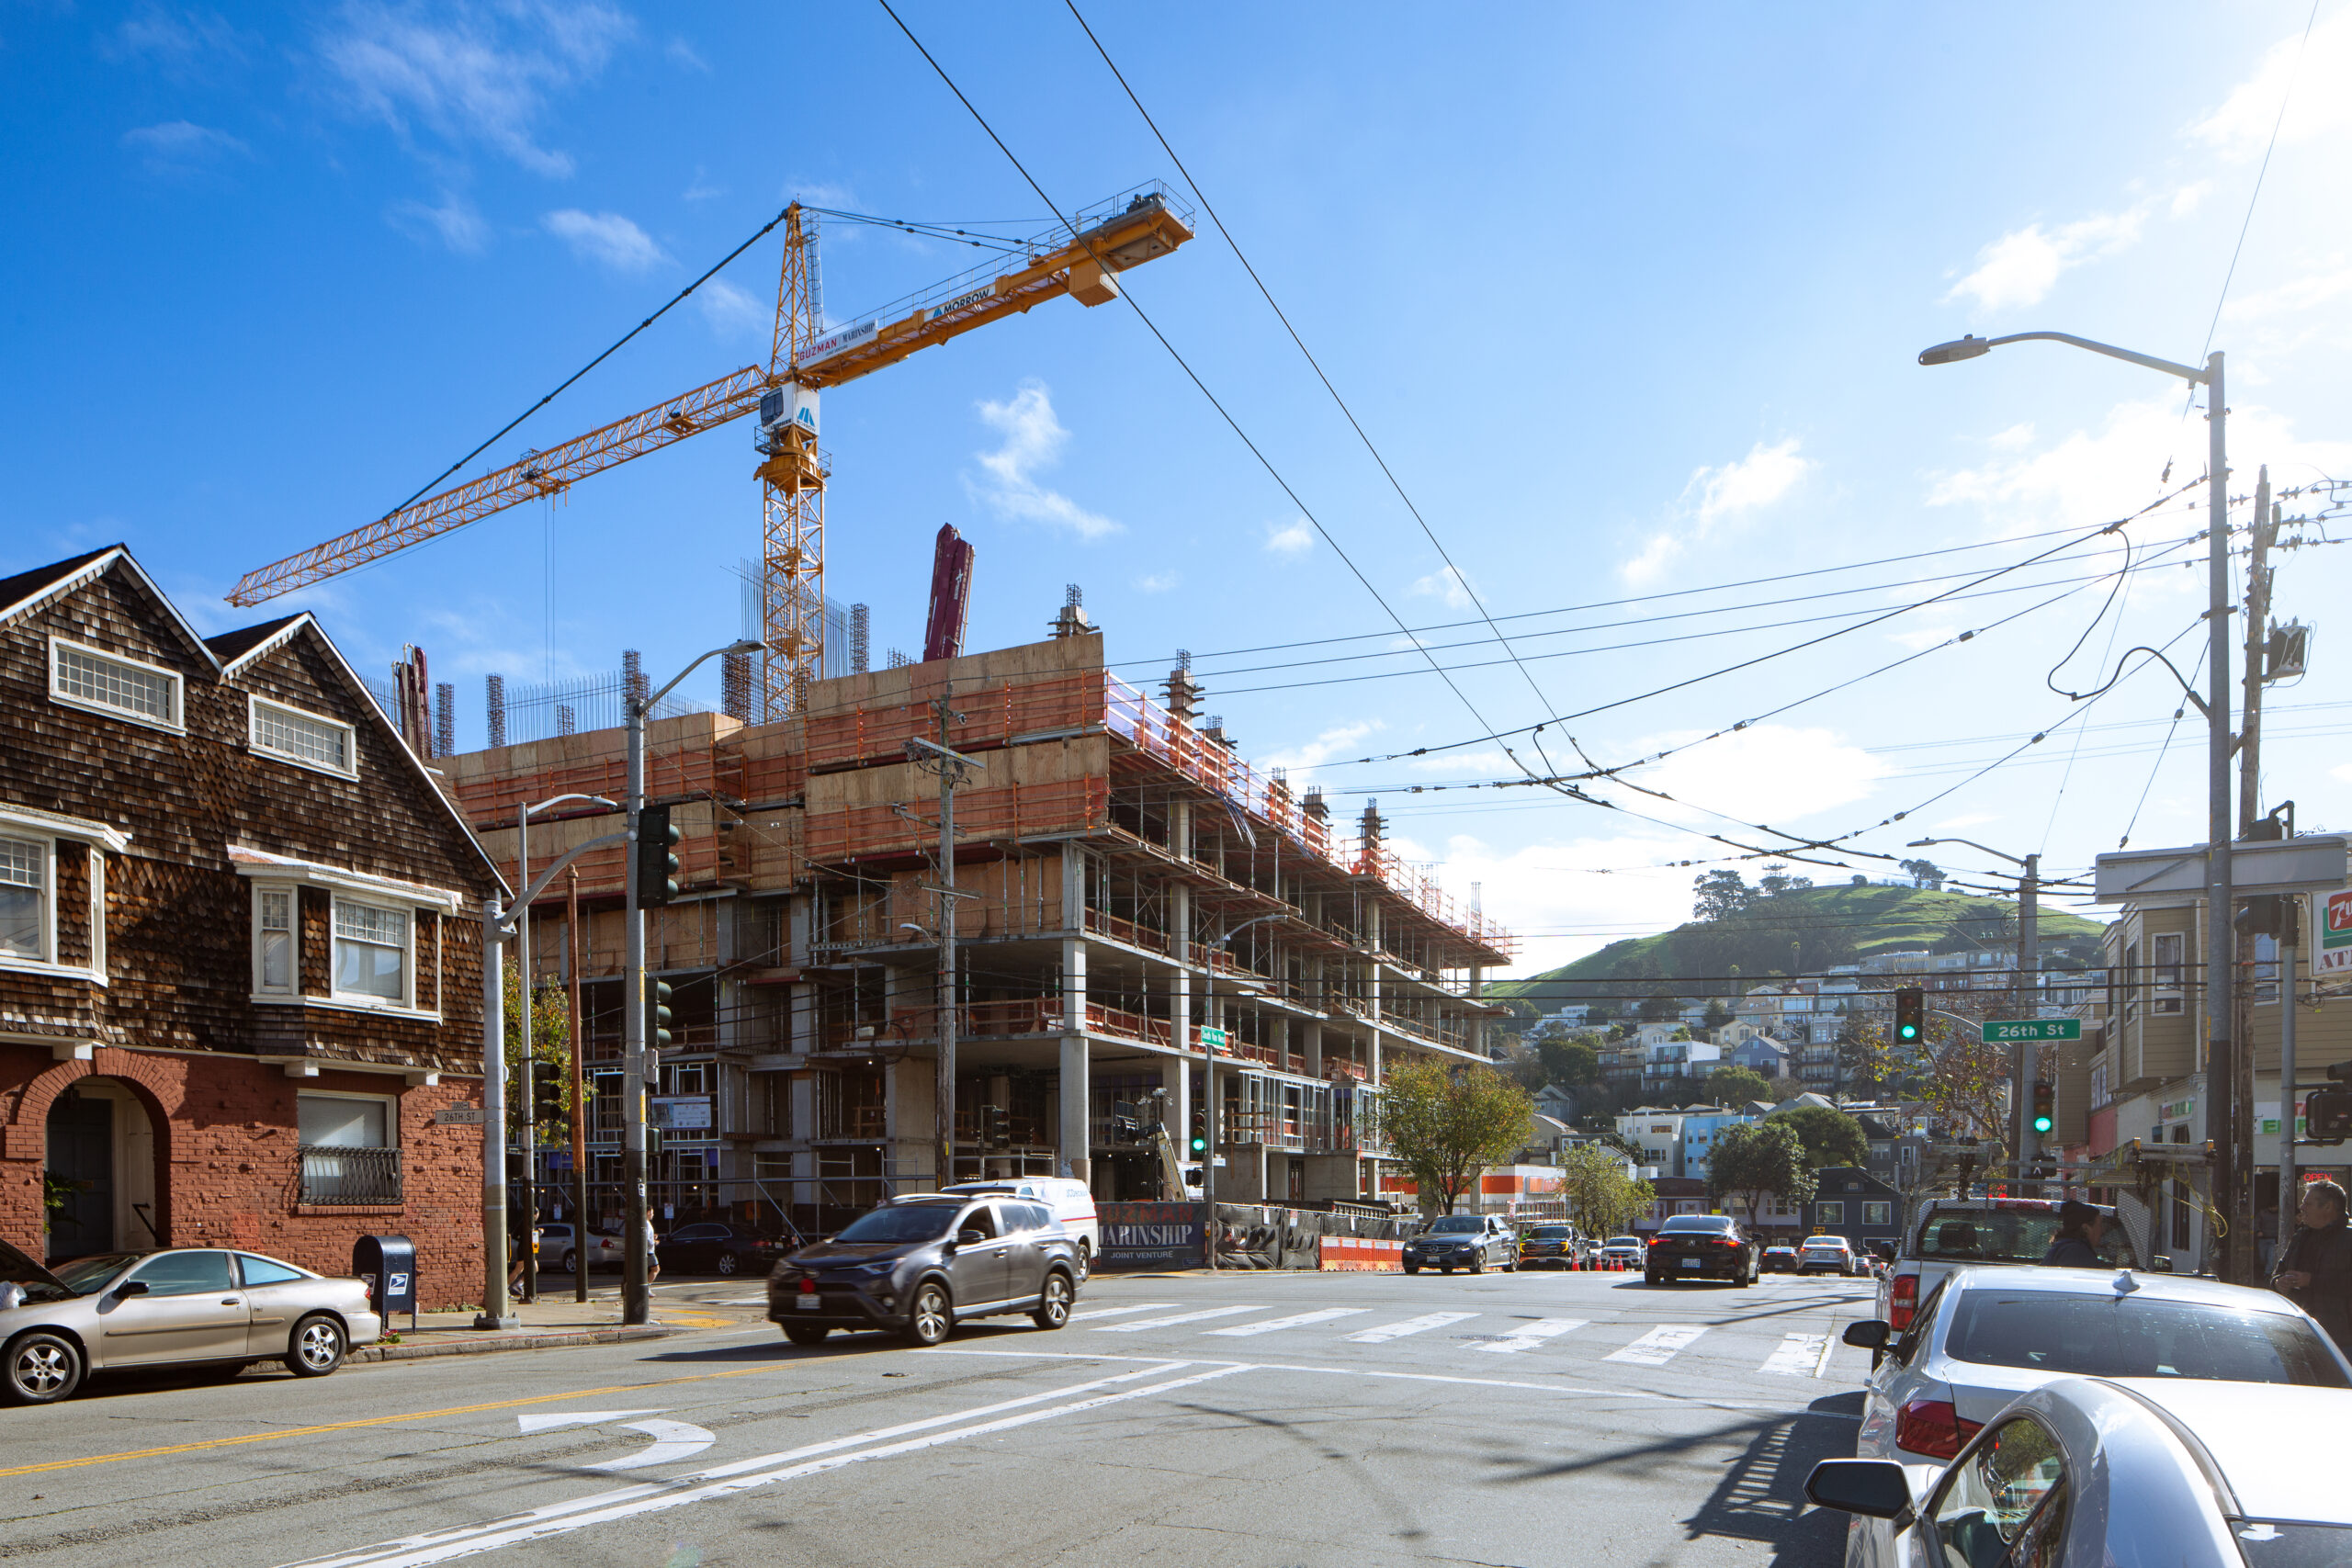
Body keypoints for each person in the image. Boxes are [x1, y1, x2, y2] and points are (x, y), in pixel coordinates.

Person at [2274, 1179, 2352, 1350]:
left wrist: (2312, 1281)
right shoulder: (2301, 1236)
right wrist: (2279, 1282)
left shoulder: (2348, 1238)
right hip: (2297, 1332)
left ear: (2328, 1207)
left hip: (2339, 1339)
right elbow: (2278, 1273)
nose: (2302, 1208)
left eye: (2307, 1204)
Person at [2040, 1200, 2108, 1268]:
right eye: (2099, 1225)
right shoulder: (2077, 1253)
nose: (2102, 1231)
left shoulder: (2064, 1247)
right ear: (2086, 1228)